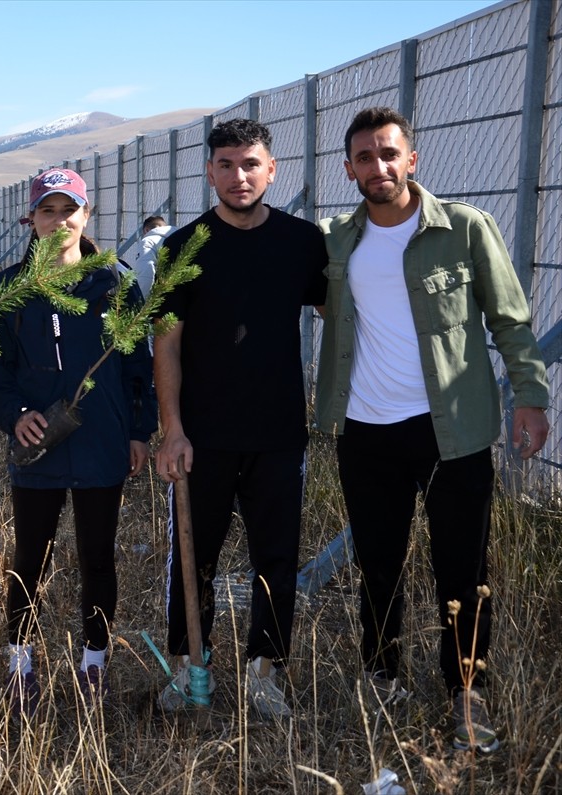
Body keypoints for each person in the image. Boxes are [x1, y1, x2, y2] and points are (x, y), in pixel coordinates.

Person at [317, 106, 550, 753]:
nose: (379, 166)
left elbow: (510, 319)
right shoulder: (336, 240)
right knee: (379, 566)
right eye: (365, 157)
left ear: (411, 160)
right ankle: (383, 677)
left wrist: (530, 395)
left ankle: (468, 694)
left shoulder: (466, 228)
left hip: (454, 429)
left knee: (464, 570)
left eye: (389, 153)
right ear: (349, 169)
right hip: (364, 432)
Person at [153, 118, 327, 719]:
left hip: (279, 433)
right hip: (203, 436)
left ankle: (266, 673)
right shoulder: (183, 248)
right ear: (209, 173)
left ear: (272, 169)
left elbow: (345, 314)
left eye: (250, 164)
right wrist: (172, 429)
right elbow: (166, 343)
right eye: (225, 165)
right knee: (193, 556)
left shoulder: (303, 243)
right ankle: (187, 667)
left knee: (276, 558)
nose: (239, 176)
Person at [0, 168, 155, 716]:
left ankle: (94, 664)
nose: (59, 222)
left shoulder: (116, 282)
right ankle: (20, 666)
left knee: (97, 557)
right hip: (39, 445)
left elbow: (137, 366)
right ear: (31, 220)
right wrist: (15, 416)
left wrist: (138, 431)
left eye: (69, 210)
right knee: (32, 555)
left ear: (87, 215)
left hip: (102, 443)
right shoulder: (11, 289)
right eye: (48, 211)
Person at [131, 214, 173, 297]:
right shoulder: (180, 236)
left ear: (146, 230)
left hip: (162, 296)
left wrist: (142, 302)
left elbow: (146, 273)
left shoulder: (148, 241)